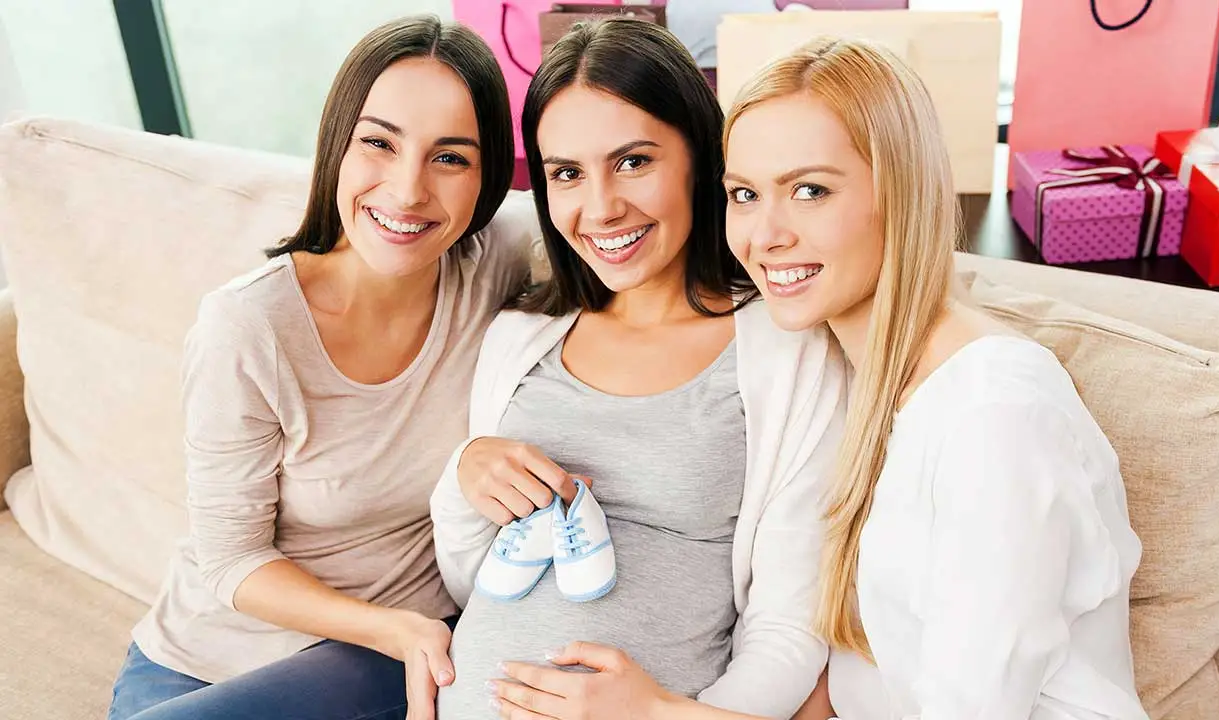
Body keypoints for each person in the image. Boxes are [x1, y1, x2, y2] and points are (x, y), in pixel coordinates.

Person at [493, 37, 1150, 720]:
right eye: (745, 194)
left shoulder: (995, 415)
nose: (765, 235)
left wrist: (655, 714)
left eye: (810, 191)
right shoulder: (860, 377)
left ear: (899, 192)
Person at [106, 15, 538, 720]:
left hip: (378, 662)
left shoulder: (500, 261)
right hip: (204, 666)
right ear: (337, 144)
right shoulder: (248, 326)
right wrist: (391, 628)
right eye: (378, 143)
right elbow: (230, 561)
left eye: (450, 158)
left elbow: (622, 218)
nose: (406, 191)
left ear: (488, 176)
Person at [429, 18, 846, 720]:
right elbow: (478, 585)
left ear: (700, 158)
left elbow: (789, 630)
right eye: (567, 174)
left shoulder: (786, 347)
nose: (601, 207)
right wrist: (463, 479)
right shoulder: (517, 337)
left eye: (633, 161)